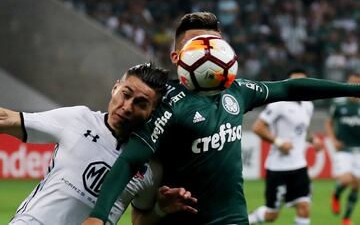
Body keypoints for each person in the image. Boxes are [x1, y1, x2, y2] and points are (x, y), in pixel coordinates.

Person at [82, 12, 360, 225]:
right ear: (177, 57)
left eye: (214, 44)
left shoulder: (238, 91)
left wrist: (353, 90)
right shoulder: (165, 103)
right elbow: (130, 158)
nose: (209, 52)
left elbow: (289, 87)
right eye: (198, 46)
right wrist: (98, 215)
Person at [2, 63, 196, 225]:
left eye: (141, 103)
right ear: (115, 88)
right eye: (125, 94)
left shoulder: (151, 167)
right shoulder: (78, 119)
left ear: (153, 112)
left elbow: (139, 221)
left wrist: (160, 210)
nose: (127, 107)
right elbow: (7, 119)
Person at [247, 69, 323, 225]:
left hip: (299, 166)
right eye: (296, 82)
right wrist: (279, 142)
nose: (300, 86)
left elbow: (302, 128)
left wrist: (312, 139)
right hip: (278, 168)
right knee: (271, 215)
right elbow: (258, 127)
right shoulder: (279, 104)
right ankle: (246, 219)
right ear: (289, 83)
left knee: (304, 207)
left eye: (303, 82)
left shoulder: (308, 105)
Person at [325, 73, 360, 225]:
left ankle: (346, 218)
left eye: (357, 82)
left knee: (357, 184)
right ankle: (336, 194)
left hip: (359, 149)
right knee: (345, 180)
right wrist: (333, 139)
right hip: (344, 148)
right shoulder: (339, 104)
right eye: (351, 82)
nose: (354, 85)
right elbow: (329, 123)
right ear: (347, 83)